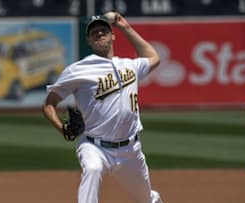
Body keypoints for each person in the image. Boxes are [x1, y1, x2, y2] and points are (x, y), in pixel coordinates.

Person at [42, 12, 163, 203]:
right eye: (94, 33)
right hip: (94, 145)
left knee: (146, 199)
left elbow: (154, 58)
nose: (99, 34)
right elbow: (49, 103)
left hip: (130, 150)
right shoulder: (78, 70)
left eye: (103, 31)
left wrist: (124, 26)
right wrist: (61, 128)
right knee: (92, 168)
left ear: (112, 35)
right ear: (88, 40)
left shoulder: (129, 66)